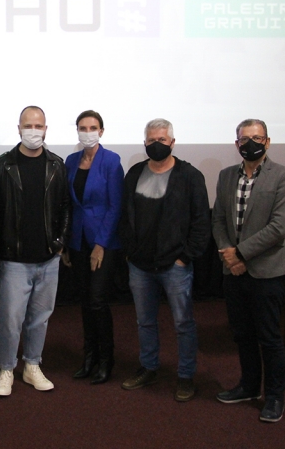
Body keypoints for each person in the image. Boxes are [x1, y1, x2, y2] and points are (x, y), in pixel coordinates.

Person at [212, 118, 285, 423]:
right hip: (233, 271)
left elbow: (279, 227)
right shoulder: (226, 176)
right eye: (245, 139)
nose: (251, 143)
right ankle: (249, 386)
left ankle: (274, 397)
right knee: (242, 334)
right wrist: (229, 255)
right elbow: (218, 220)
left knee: (270, 338)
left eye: (257, 138)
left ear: (267, 142)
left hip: (266, 271)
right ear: (236, 144)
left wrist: (240, 253)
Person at [119, 118, 210, 402]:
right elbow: (124, 215)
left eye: (161, 139)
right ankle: (148, 367)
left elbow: (201, 221)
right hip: (140, 265)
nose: (156, 144)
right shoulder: (135, 173)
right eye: (151, 140)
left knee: (183, 323)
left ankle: (186, 376)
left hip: (175, 265)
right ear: (144, 143)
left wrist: (185, 257)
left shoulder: (190, 176)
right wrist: (129, 251)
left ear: (172, 142)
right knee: (144, 321)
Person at [0, 105, 70, 396]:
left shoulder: (57, 165)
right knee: (10, 320)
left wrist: (59, 244)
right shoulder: (1, 166)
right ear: (19, 128)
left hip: (48, 258)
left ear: (46, 129)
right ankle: (7, 368)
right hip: (14, 259)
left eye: (38, 126)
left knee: (40, 318)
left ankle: (32, 365)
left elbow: (65, 207)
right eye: (28, 125)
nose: (33, 131)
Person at [64, 110, 124, 385]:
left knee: (98, 300)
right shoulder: (71, 161)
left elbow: (115, 206)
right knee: (85, 301)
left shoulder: (111, 161)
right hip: (77, 240)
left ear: (101, 131)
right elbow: (69, 203)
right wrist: (66, 242)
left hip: (104, 241)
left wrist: (100, 244)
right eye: (83, 127)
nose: (87, 132)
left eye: (92, 127)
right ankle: (89, 357)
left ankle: (106, 360)